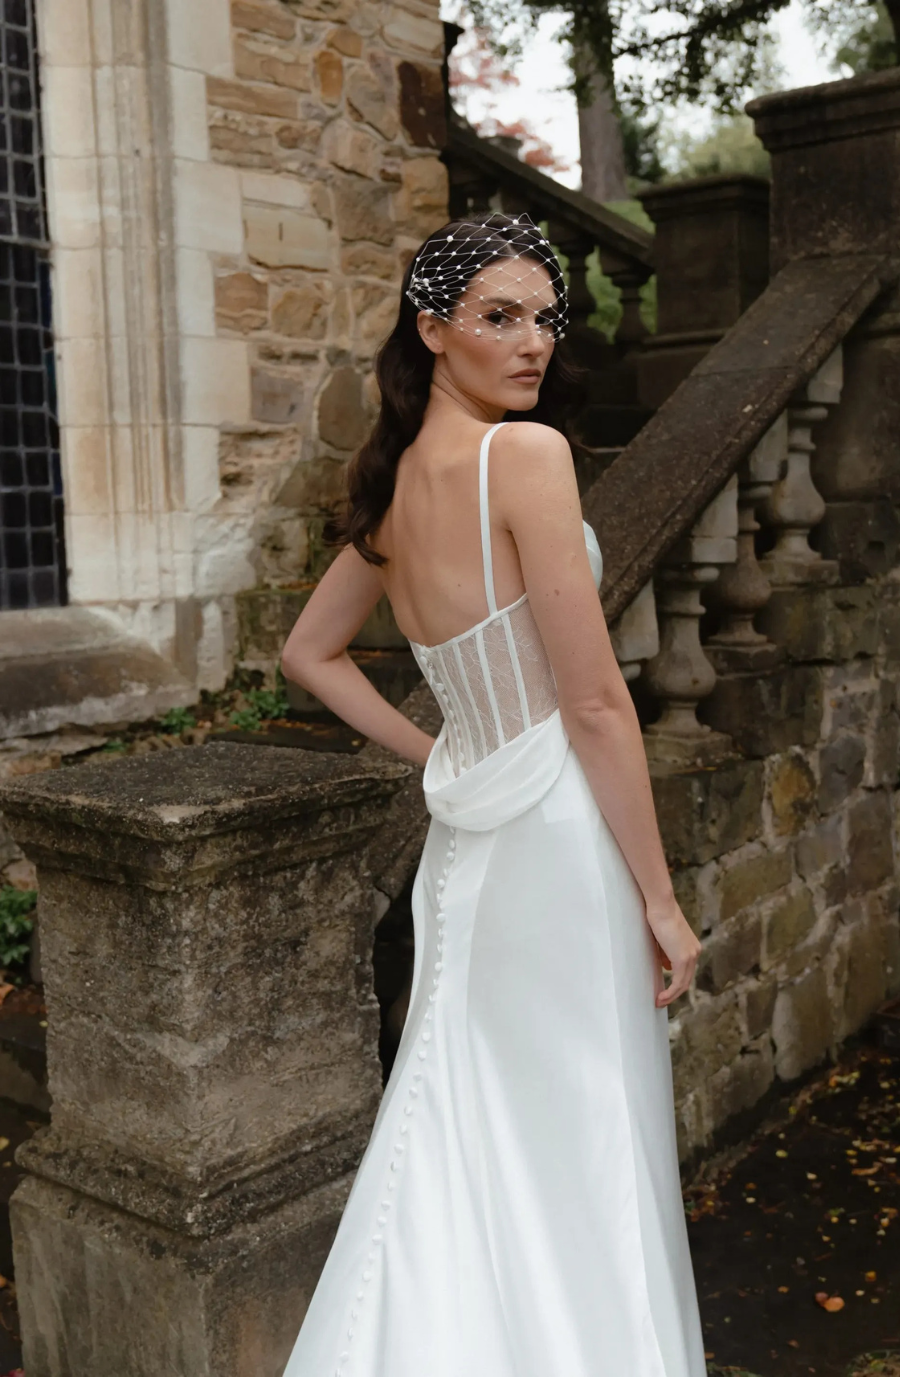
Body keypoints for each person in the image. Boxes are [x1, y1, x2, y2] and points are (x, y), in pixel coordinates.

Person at [280, 212, 706, 1377]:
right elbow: (597, 706)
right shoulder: (526, 458)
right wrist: (662, 900)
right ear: (433, 331)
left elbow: (309, 657)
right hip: (556, 838)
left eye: (545, 318)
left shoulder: (395, 486)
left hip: (470, 844)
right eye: (500, 317)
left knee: (469, 1114)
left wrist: (440, 758)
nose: (533, 343)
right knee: (579, 1124)